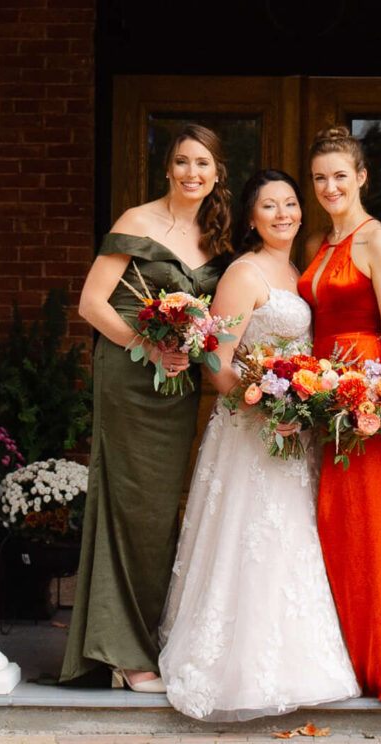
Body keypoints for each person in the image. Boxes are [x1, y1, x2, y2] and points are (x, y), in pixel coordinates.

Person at [157, 169, 360, 722]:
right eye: (269, 206)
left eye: (290, 204)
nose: (283, 214)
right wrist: (267, 404)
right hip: (251, 432)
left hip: (295, 432)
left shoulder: (301, 269)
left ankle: (299, 662)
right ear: (251, 217)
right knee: (251, 539)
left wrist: (303, 404)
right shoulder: (244, 273)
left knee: (291, 538)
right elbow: (216, 363)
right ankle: (235, 666)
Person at [60, 124, 230, 691]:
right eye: (182, 162)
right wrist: (144, 344)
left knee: (160, 516)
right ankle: (126, 654)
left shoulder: (214, 238)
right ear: (167, 169)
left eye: (202, 164)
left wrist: (192, 348)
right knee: (130, 505)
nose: (191, 173)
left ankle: (150, 640)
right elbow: (91, 302)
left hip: (176, 387)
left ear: (216, 173)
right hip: (129, 379)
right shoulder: (136, 221)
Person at [301, 124, 381, 701]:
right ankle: (336, 655)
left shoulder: (377, 241)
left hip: (365, 400)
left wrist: (380, 403)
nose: (330, 186)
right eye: (320, 177)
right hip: (324, 400)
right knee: (331, 528)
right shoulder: (322, 241)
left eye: (340, 175)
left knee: (364, 530)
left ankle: (377, 665)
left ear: (362, 176)